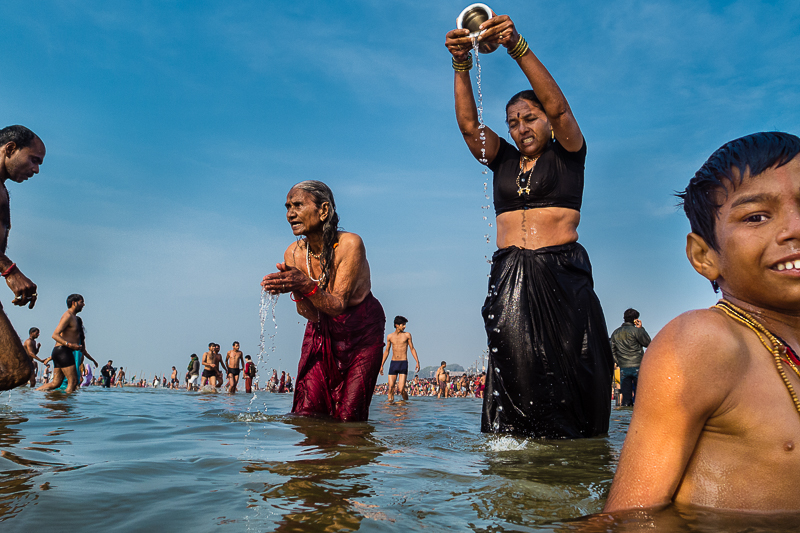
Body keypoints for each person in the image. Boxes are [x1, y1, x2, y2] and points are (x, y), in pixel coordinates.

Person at [604, 132, 800, 512]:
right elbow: (630, 517)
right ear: (704, 256)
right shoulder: (705, 342)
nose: (793, 228)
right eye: (757, 216)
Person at [446, 12, 613, 438]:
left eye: (530, 118)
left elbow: (559, 107)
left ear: (547, 123)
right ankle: (515, 447)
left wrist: (516, 47)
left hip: (561, 273)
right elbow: (468, 126)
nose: (521, 128)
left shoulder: (569, 152)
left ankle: (573, 451)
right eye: (513, 122)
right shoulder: (502, 159)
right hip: (510, 274)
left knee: (572, 366)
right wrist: (461, 65)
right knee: (513, 367)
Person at [261, 180, 385, 422]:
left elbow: (338, 304)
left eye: (297, 205)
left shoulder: (349, 244)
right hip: (322, 332)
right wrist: (295, 289)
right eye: (287, 207)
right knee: (307, 413)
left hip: (362, 333)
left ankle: (348, 457)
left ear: (324, 210)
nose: (290, 214)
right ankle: (313, 460)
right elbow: (308, 313)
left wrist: (305, 284)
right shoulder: (293, 253)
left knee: (350, 417)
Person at [0, 125, 44, 390]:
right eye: (34, 160)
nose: (36, 169)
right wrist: (10, 270)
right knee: (16, 370)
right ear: (10, 148)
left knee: (17, 371)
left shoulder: (3, 191)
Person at [37, 294, 98, 393]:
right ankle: (66, 406)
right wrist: (70, 345)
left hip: (60, 351)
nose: (83, 304)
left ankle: (33, 394)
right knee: (73, 382)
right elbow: (55, 335)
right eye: (81, 302)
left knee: (56, 383)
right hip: (63, 351)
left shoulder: (74, 317)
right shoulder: (68, 315)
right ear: (74, 303)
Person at [610, 309, 651, 407]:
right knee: (640, 400)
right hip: (638, 366)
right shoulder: (636, 331)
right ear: (635, 320)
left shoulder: (615, 333)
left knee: (626, 401)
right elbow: (648, 343)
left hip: (624, 367)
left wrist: (619, 362)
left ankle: (625, 421)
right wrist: (641, 328)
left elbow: (612, 351)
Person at [380, 315, 421, 402]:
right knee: (390, 388)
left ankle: (406, 404)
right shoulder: (390, 336)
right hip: (394, 363)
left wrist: (417, 361)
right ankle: (391, 408)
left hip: (403, 363)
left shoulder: (407, 335)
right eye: (403, 324)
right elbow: (387, 351)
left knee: (401, 388)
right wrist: (382, 364)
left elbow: (412, 348)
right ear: (397, 325)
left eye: (405, 324)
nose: (404, 326)